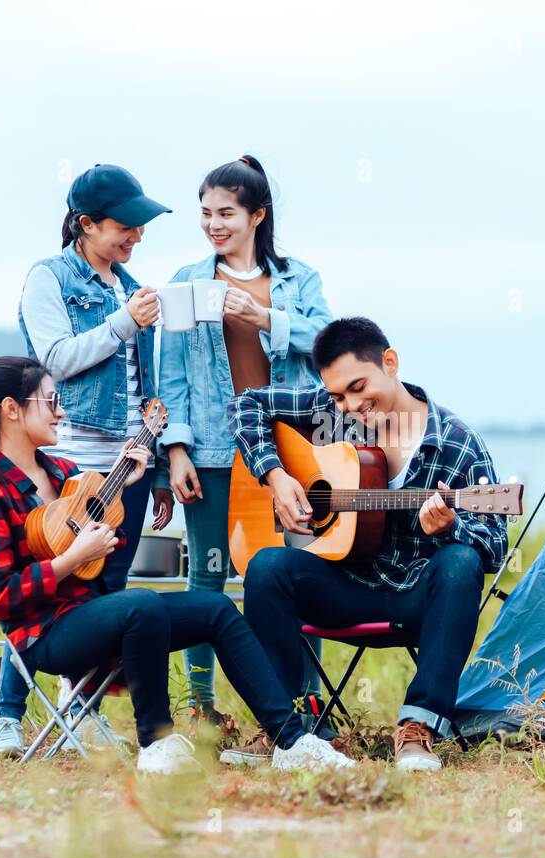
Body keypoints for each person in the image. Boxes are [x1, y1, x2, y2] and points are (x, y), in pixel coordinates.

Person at [0, 355, 354, 773]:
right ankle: (156, 744)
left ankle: (290, 740)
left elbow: (101, 561)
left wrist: (116, 501)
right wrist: (70, 560)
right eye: (51, 401)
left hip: (94, 614)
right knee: (140, 605)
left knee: (216, 609)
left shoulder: (65, 473)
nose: (61, 411)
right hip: (45, 637)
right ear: (12, 410)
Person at [225, 318, 508, 771]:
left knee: (460, 561)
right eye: (338, 395)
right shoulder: (329, 415)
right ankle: (284, 732)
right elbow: (246, 404)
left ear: (389, 363)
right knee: (267, 566)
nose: (351, 405)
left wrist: (451, 526)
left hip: (416, 600)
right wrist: (275, 476)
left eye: (358, 387)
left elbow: (495, 544)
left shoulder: (457, 444)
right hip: (344, 585)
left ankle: (418, 730)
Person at [0, 164, 174, 757]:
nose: (135, 236)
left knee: (107, 589)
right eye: (125, 225)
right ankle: (8, 717)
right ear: (85, 224)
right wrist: (124, 323)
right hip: (66, 454)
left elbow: (147, 387)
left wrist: (159, 464)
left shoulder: (128, 282)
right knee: (42, 584)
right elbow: (55, 360)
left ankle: (82, 713)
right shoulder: (49, 277)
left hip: (128, 463)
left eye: (141, 227)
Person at [157, 155, 333, 722]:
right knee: (207, 573)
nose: (214, 223)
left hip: (291, 449)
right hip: (211, 448)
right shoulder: (188, 281)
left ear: (257, 214)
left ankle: (305, 704)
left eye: (226, 212)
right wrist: (176, 449)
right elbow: (173, 373)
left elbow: (329, 342)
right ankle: (200, 707)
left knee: (300, 570)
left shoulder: (297, 279)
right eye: (206, 213)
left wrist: (265, 317)